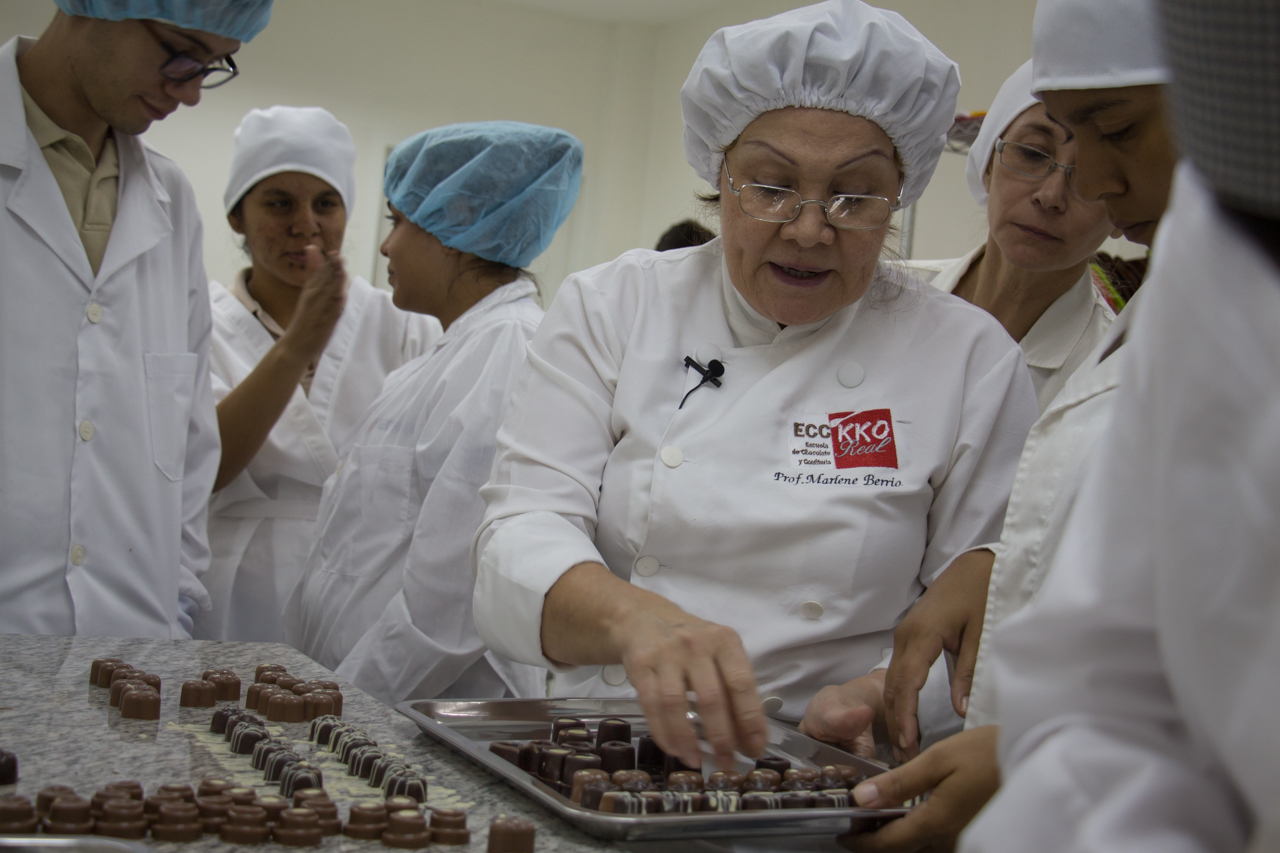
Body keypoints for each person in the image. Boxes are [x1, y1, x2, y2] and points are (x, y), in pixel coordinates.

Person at [471, 0, 1040, 773]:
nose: (809, 228)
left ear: (899, 197)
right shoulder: (615, 305)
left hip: (820, 770)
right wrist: (632, 617)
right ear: (719, 176)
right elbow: (522, 528)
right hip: (602, 750)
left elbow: (984, 607)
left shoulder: (970, 358)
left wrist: (883, 692)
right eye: (770, 186)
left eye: (854, 195)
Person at [798, 1, 1180, 849]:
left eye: (1104, 138)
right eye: (1035, 152)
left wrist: (988, 572)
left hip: (1015, 753)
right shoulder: (867, 300)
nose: (1068, 189)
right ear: (988, 158)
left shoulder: (1121, 353)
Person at [962, 0, 1280, 848]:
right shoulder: (1205, 275)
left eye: (1113, 128)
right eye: (1049, 142)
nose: (1088, 185)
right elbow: (1120, 686)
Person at [284, 121, 583, 703]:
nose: (384, 245)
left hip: (421, 717)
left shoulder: (506, 352)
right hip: (362, 704)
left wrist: (340, 708)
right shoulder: (446, 356)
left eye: (398, 221)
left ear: (460, 220)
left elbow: (451, 602)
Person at [0, 0, 272, 638]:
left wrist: (174, 603)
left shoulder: (170, 201)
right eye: (180, 52)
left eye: (212, 66)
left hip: (129, 653)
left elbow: (187, 440)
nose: (191, 91)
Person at [194, 106, 442, 642]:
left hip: (365, 586)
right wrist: (297, 345)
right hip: (235, 593)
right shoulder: (199, 324)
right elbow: (201, 467)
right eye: (279, 202)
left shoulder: (402, 323)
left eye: (326, 203)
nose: (305, 224)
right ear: (237, 216)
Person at [904, 60, 1117, 413]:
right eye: (1032, 153)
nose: (1050, 196)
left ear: (1120, 206)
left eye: (1089, 172)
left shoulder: (1111, 376)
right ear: (987, 165)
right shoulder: (884, 298)